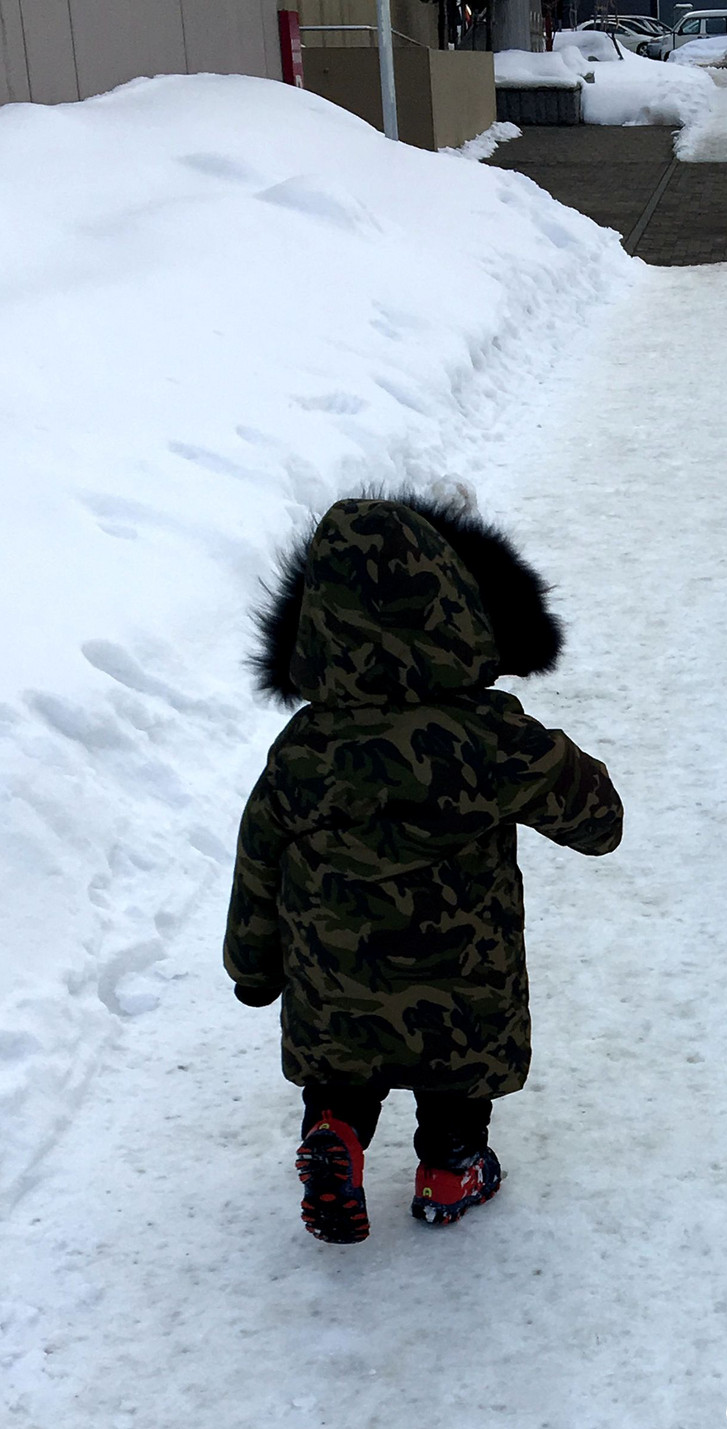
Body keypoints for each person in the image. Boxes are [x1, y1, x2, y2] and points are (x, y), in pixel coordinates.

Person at [223, 493, 623, 1244]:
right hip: (462, 983)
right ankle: (451, 1166)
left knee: (341, 1065)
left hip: (334, 985)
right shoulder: (491, 736)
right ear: (457, 607)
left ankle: (335, 1135)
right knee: (456, 1068)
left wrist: (254, 968)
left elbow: (260, 858)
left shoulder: (305, 747)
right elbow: (600, 820)